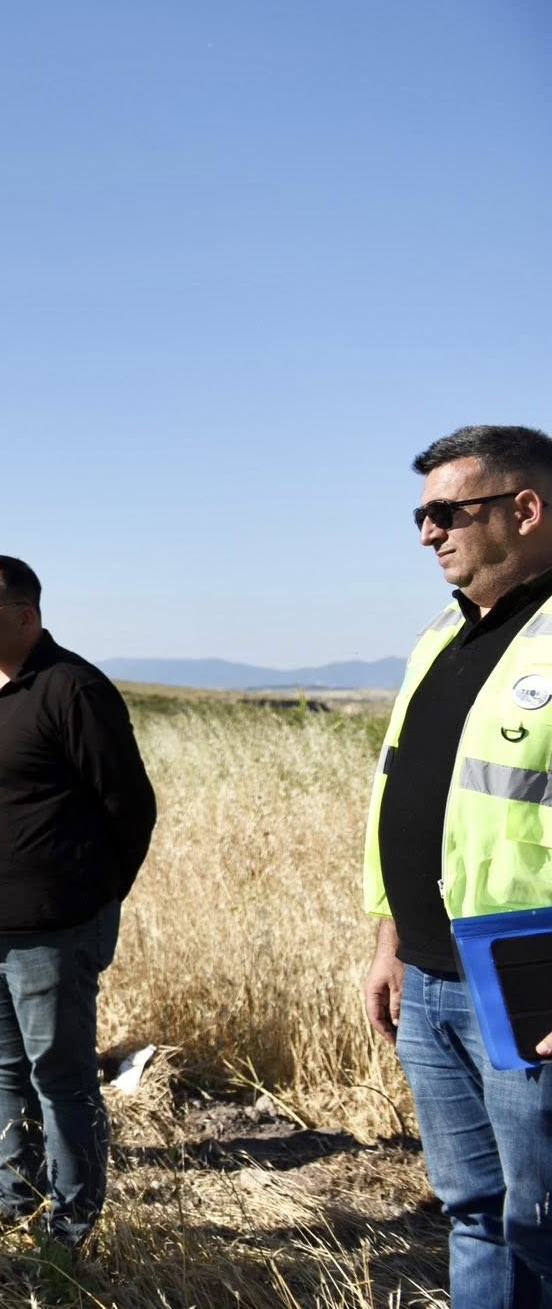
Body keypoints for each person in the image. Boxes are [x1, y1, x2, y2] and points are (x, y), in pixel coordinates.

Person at [362, 423, 552, 1306]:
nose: (428, 532)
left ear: (527, 509)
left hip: (530, 986)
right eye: (420, 515)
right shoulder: (443, 633)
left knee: (541, 1220)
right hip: (433, 978)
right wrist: (390, 943)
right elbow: (406, 794)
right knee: (474, 1211)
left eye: (447, 512)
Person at [0, 554, 156, 1251]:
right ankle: (16, 1194)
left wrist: (90, 904)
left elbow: (130, 808)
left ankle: (73, 1223)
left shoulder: (72, 689)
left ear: (26, 617)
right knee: (2, 1066)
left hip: (50, 930)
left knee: (61, 1076)